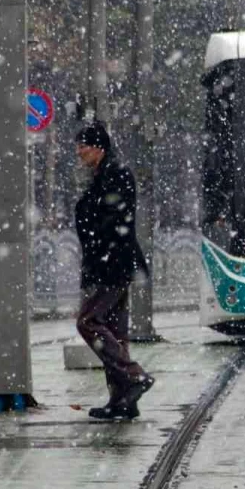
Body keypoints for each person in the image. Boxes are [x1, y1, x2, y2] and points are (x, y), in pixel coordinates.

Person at [73, 121, 155, 420]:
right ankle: (123, 400)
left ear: (99, 148)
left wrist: (100, 251)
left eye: (84, 146)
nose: (79, 152)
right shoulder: (102, 175)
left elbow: (115, 220)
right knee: (115, 332)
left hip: (113, 264)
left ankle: (134, 376)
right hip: (110, 263)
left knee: (88, 322)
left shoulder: (116, 174)